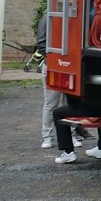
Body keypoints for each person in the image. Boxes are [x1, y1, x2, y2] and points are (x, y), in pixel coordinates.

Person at [37, 17, 89, 150]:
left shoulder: (71, 19)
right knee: (51, 103)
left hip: (69, 65)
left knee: (68, 103)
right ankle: (47, 136)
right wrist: (52, 58)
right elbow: (42, 42)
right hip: (54, 64)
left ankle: (70, 134)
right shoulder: (48, 18)